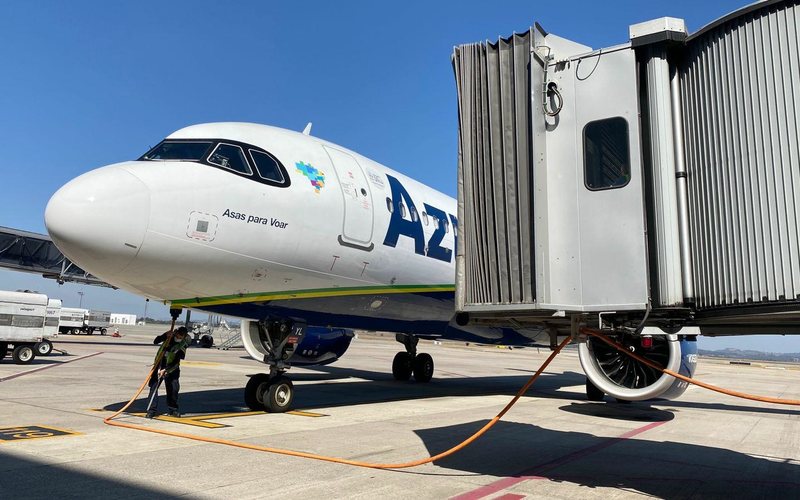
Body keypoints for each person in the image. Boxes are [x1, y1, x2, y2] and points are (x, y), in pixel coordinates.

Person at [145, 326, 190, 418]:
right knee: (154, 387)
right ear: (175, 333)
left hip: (172, 368)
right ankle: (151, 410)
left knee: (173, 389)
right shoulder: (168, 337)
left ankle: (173, 409)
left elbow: (176, 360)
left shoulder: (183, 345)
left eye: (181, 337)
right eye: (178, 336)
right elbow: (156, 341)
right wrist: (164, 335)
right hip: (159, 365)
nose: (178, 338)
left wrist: (166, 369)